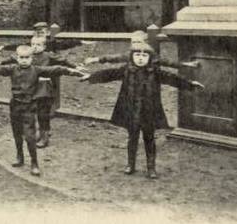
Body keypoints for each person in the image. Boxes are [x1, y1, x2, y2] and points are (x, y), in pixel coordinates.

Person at [82, 41, 204, 179]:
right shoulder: (126, 70)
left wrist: (190, 84)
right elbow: (109, 74)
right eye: (137, 55)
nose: (140, 58)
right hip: (131, 111)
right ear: (132, 57)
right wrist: (91, 77)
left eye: (144, 55)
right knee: (132, 138)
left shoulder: (155, 72)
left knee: (149, 139)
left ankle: (151, 168)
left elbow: (172, 78)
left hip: (149, 112)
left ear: (150, 58)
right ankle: (130, 165)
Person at [0, 46, 87, 176]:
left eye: (27, 58)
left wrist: (73, 71)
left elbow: (56, 69)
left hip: (29, 106)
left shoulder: (36, 70)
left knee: (30, 136)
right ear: (17, 58)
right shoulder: (12, 69)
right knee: (17, 133)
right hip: (15, 105)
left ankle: (34, 163)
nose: (24, 60)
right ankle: (19, 157)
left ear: (31, 58)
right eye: (21, 58)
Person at [30, 33, 80, 149]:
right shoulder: (29, 56)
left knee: (43, 113)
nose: (35, 47)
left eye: (38, 44)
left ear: (44, 46)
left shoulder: (48, 56)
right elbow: (14, 58)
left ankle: (44, 137)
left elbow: (63, 60)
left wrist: (75, 67)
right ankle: (37, 133)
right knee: (32, 111)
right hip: (31, 87)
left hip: (44, 88)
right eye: (32, 44)